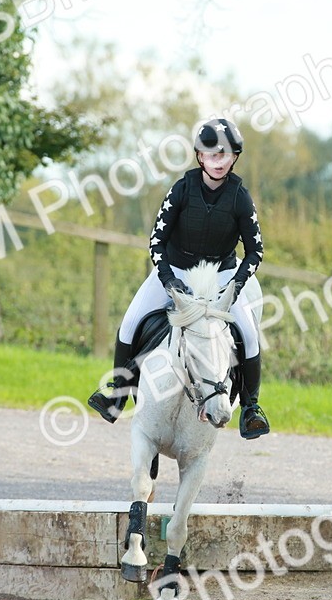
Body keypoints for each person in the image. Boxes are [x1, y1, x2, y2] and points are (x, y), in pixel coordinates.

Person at [88, 117, 270, 439]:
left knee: (250, 335)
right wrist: (169, 281)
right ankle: (117, 392)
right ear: (200, 156)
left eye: (225, 155)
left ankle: (251, 408)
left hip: (222, 275)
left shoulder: (241, 197)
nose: (218, 161)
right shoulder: (181, 190)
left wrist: (235, 285)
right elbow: (156, 242)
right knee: (130, 323)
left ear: (234, 158)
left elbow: (255, 251)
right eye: (212, 155)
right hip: (175, 270)